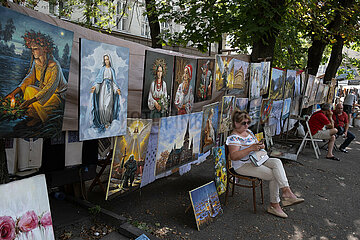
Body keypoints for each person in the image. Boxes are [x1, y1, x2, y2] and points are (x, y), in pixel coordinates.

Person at [227, 110, 304, 218]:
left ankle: (286, 191)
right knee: (274, 175)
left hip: (257, 159)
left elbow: (254, 145)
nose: (247, 125)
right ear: (236, 123)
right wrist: (251, 148)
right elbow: (234, 156)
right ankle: (275, 204)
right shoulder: (233, 137)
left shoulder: (248, 132)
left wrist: (260, 145)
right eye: (244, 123)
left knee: (277, 161)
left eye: (248, 122)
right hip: (243, 165)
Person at [5, 30, 67, 126]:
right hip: (44, 93)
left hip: (57, 95)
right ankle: (34, 115)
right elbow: (29, 79)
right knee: (29, 88)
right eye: (32, 49)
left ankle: (38, 117)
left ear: (44, 49)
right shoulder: (36, 62)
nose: (33, 51)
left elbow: (50, 88)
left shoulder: (55, 65)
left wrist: (30, 101)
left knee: (39, 102)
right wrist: (13, 93)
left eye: (36, 49)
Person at [90, 54, 122, 131]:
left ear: (110, 60)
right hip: (103, 89)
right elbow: (98, 80)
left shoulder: (112, 70)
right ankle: (102, 122)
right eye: (105, 59)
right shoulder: (102, 69)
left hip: (110, 89)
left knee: (108, 105)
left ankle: (107, 122)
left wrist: (117, 89)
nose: (106, 61)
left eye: (107, 59)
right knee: (102, 105)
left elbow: (114, 82)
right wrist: (95, 87)